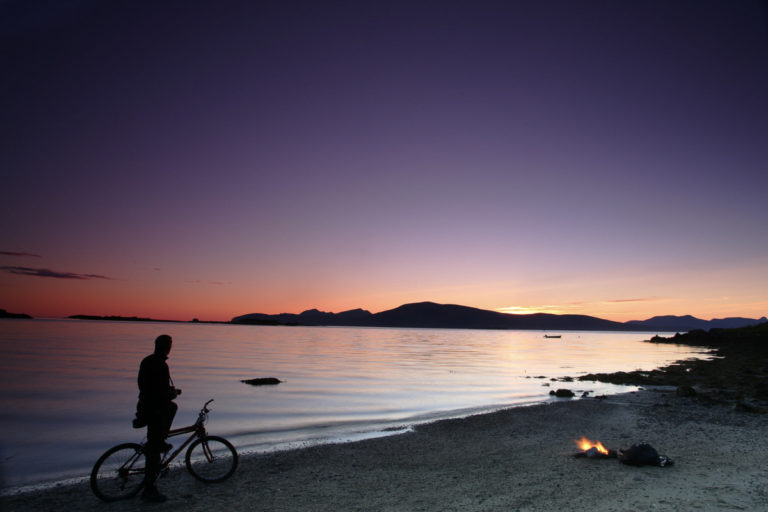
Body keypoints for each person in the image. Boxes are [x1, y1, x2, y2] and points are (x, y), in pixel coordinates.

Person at [135, 334, 181, 503]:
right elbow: (158, 391)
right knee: (153, 453)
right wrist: (171, 393)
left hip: (146, 407)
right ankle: (149, 489)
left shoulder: (148, 361)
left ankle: (160, 440)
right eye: (169, 344)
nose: (170, 347)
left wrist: (169, 393)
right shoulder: (160, 365)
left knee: (172, 408)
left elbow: (144, 386)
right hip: (154, 411)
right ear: (165, 346)